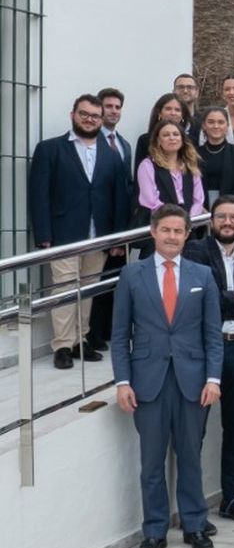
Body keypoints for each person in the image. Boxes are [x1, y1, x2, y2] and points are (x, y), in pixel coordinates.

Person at [112, 204, 223, 548]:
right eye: (166, 230)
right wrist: (123, 381)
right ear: (153, 232)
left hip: (193, 381)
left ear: (187, 235)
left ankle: (194, 525)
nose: (172, 236)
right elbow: (119, 335)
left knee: (190, 456)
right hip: (147, 381)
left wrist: (213, 378)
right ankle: (154, 531)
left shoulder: (203, 275)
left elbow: (212, 334)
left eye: (178, 231)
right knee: (151, 461)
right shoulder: (132, 275)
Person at [182, 195, 234, 524]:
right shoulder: (195, 252)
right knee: (196, 429)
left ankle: (230, 500)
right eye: (221, 217)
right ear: (210, 220)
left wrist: (222, 300)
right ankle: (192, 507)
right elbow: (199, 298)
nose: (228, 222)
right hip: (205, 348)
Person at [28, 93, 129, 369]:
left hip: (99, 236)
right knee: (63, 290)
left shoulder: (111, 155)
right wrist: (44, 235)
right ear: (73, 114)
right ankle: (62, 344)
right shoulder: (50, 149)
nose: (89, 119)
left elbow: (119, 198)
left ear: (101, 119)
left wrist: (118, 238)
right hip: (64, 234)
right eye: (84, 114)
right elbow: (39, 195)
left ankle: (79, 340)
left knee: (87, 291)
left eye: (95, 116)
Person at [136, 120, 207, 222]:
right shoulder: (147, 165)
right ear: (158, 141)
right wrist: (173, 220)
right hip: (158, 225)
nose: (172, 138)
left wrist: (189, 220)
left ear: (182, 139)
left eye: (176, 134)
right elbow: (150, 200)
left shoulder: (190, 166)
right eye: (166, 135)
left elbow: (198, 200)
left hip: (188, 227)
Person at [195, 106, 234, 205]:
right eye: (211, 122)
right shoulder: (195, 154)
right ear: (204, 125)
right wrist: (200, 207)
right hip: (201, 208)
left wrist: (227, 207)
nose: (216, 126)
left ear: (227, 125)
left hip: (231, 206)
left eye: (221, 122)